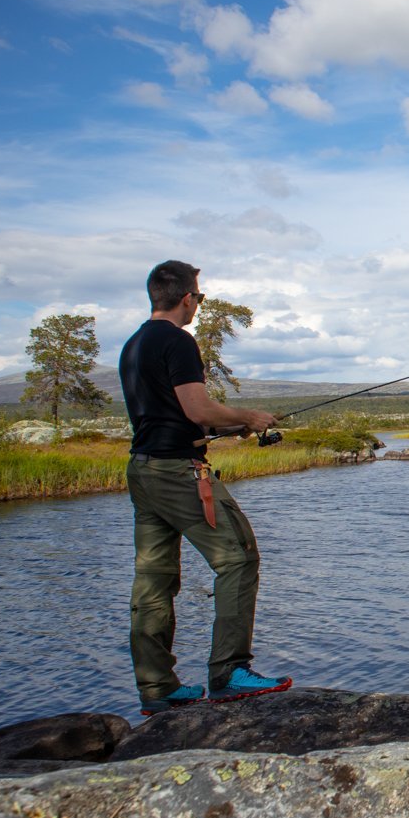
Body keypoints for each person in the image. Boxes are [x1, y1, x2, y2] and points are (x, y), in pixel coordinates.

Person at [118, 260, 292, 715]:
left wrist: (230, 428)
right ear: (187, 298)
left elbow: (169, 415)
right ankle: (229, 672)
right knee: (239, 557)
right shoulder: (178, 340)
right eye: (199, 296)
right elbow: (196, 409)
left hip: (143, 470)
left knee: (154, 579)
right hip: (179, 473)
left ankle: (157, 688)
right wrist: (250, 417)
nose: (197, 303)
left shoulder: (134, 344)